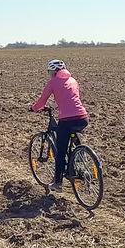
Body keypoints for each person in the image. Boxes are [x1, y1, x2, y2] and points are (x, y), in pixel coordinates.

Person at [29, 60, 89, 193]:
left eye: (50, 72)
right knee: (73, 136)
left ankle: (57, 183)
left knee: (60, 152)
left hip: (67, 120)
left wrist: (34, 108)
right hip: (83, 118)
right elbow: (72, 99)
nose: (50, 75)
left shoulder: (53, 82)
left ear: (55, 72)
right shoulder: (73, 80)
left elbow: (42, 101)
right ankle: (80, 156)